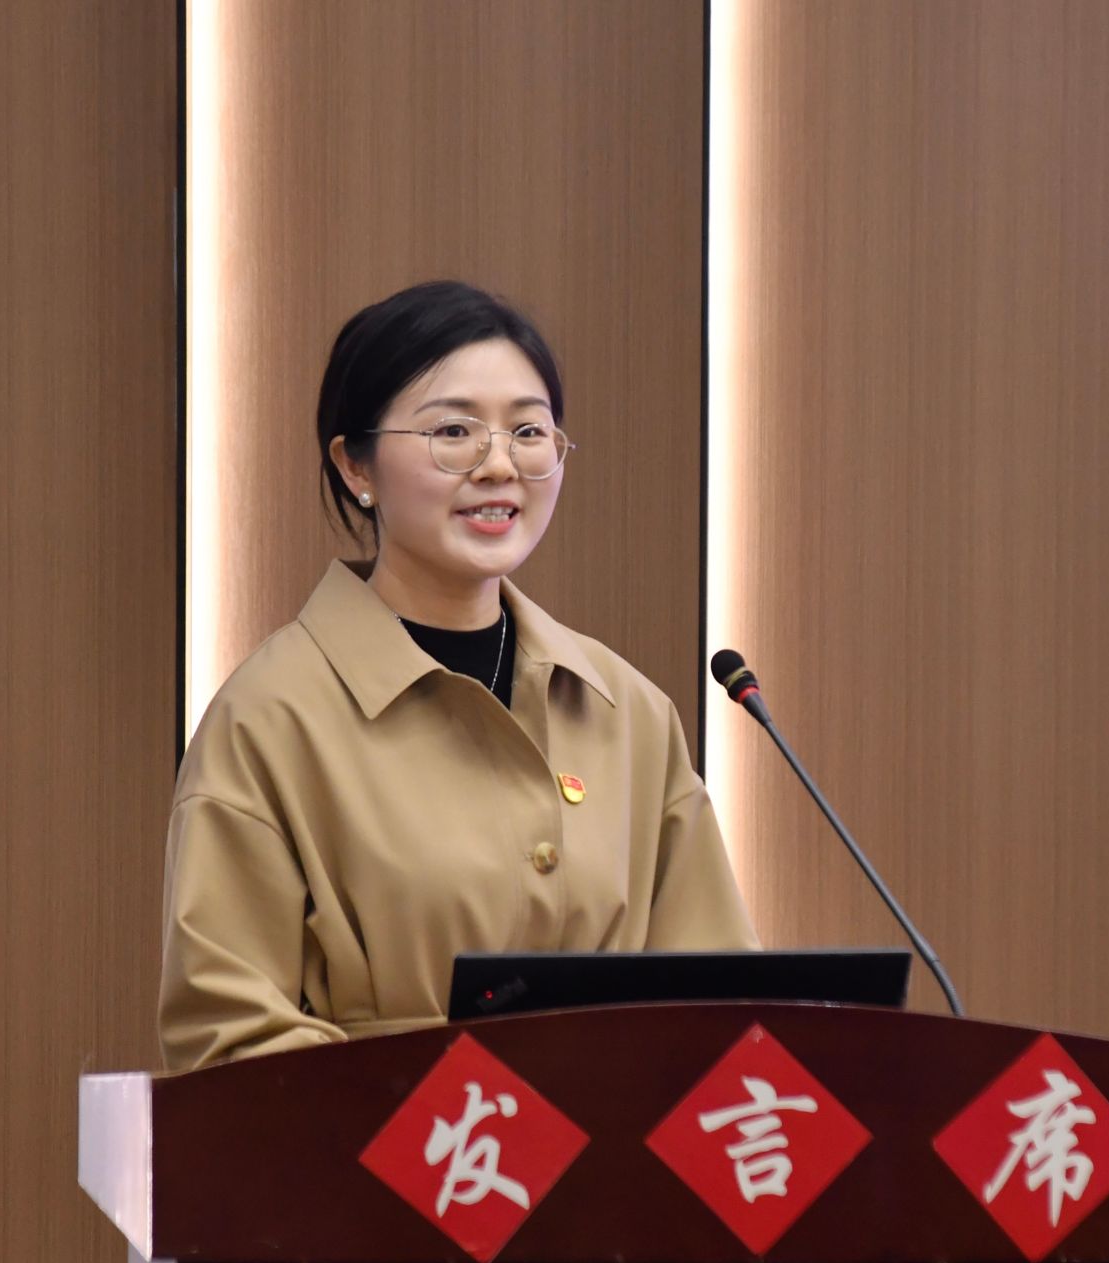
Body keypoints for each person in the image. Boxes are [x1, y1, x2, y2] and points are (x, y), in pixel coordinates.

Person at [159, 280, 758, 1068]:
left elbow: (722, 1009)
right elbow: (230, 1038)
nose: (499, 465)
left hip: (613, 1145)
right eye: (453, 431)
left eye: (529, 431)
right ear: (355, 465)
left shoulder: (626, 711)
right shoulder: (269, 720)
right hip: (386, 1144)